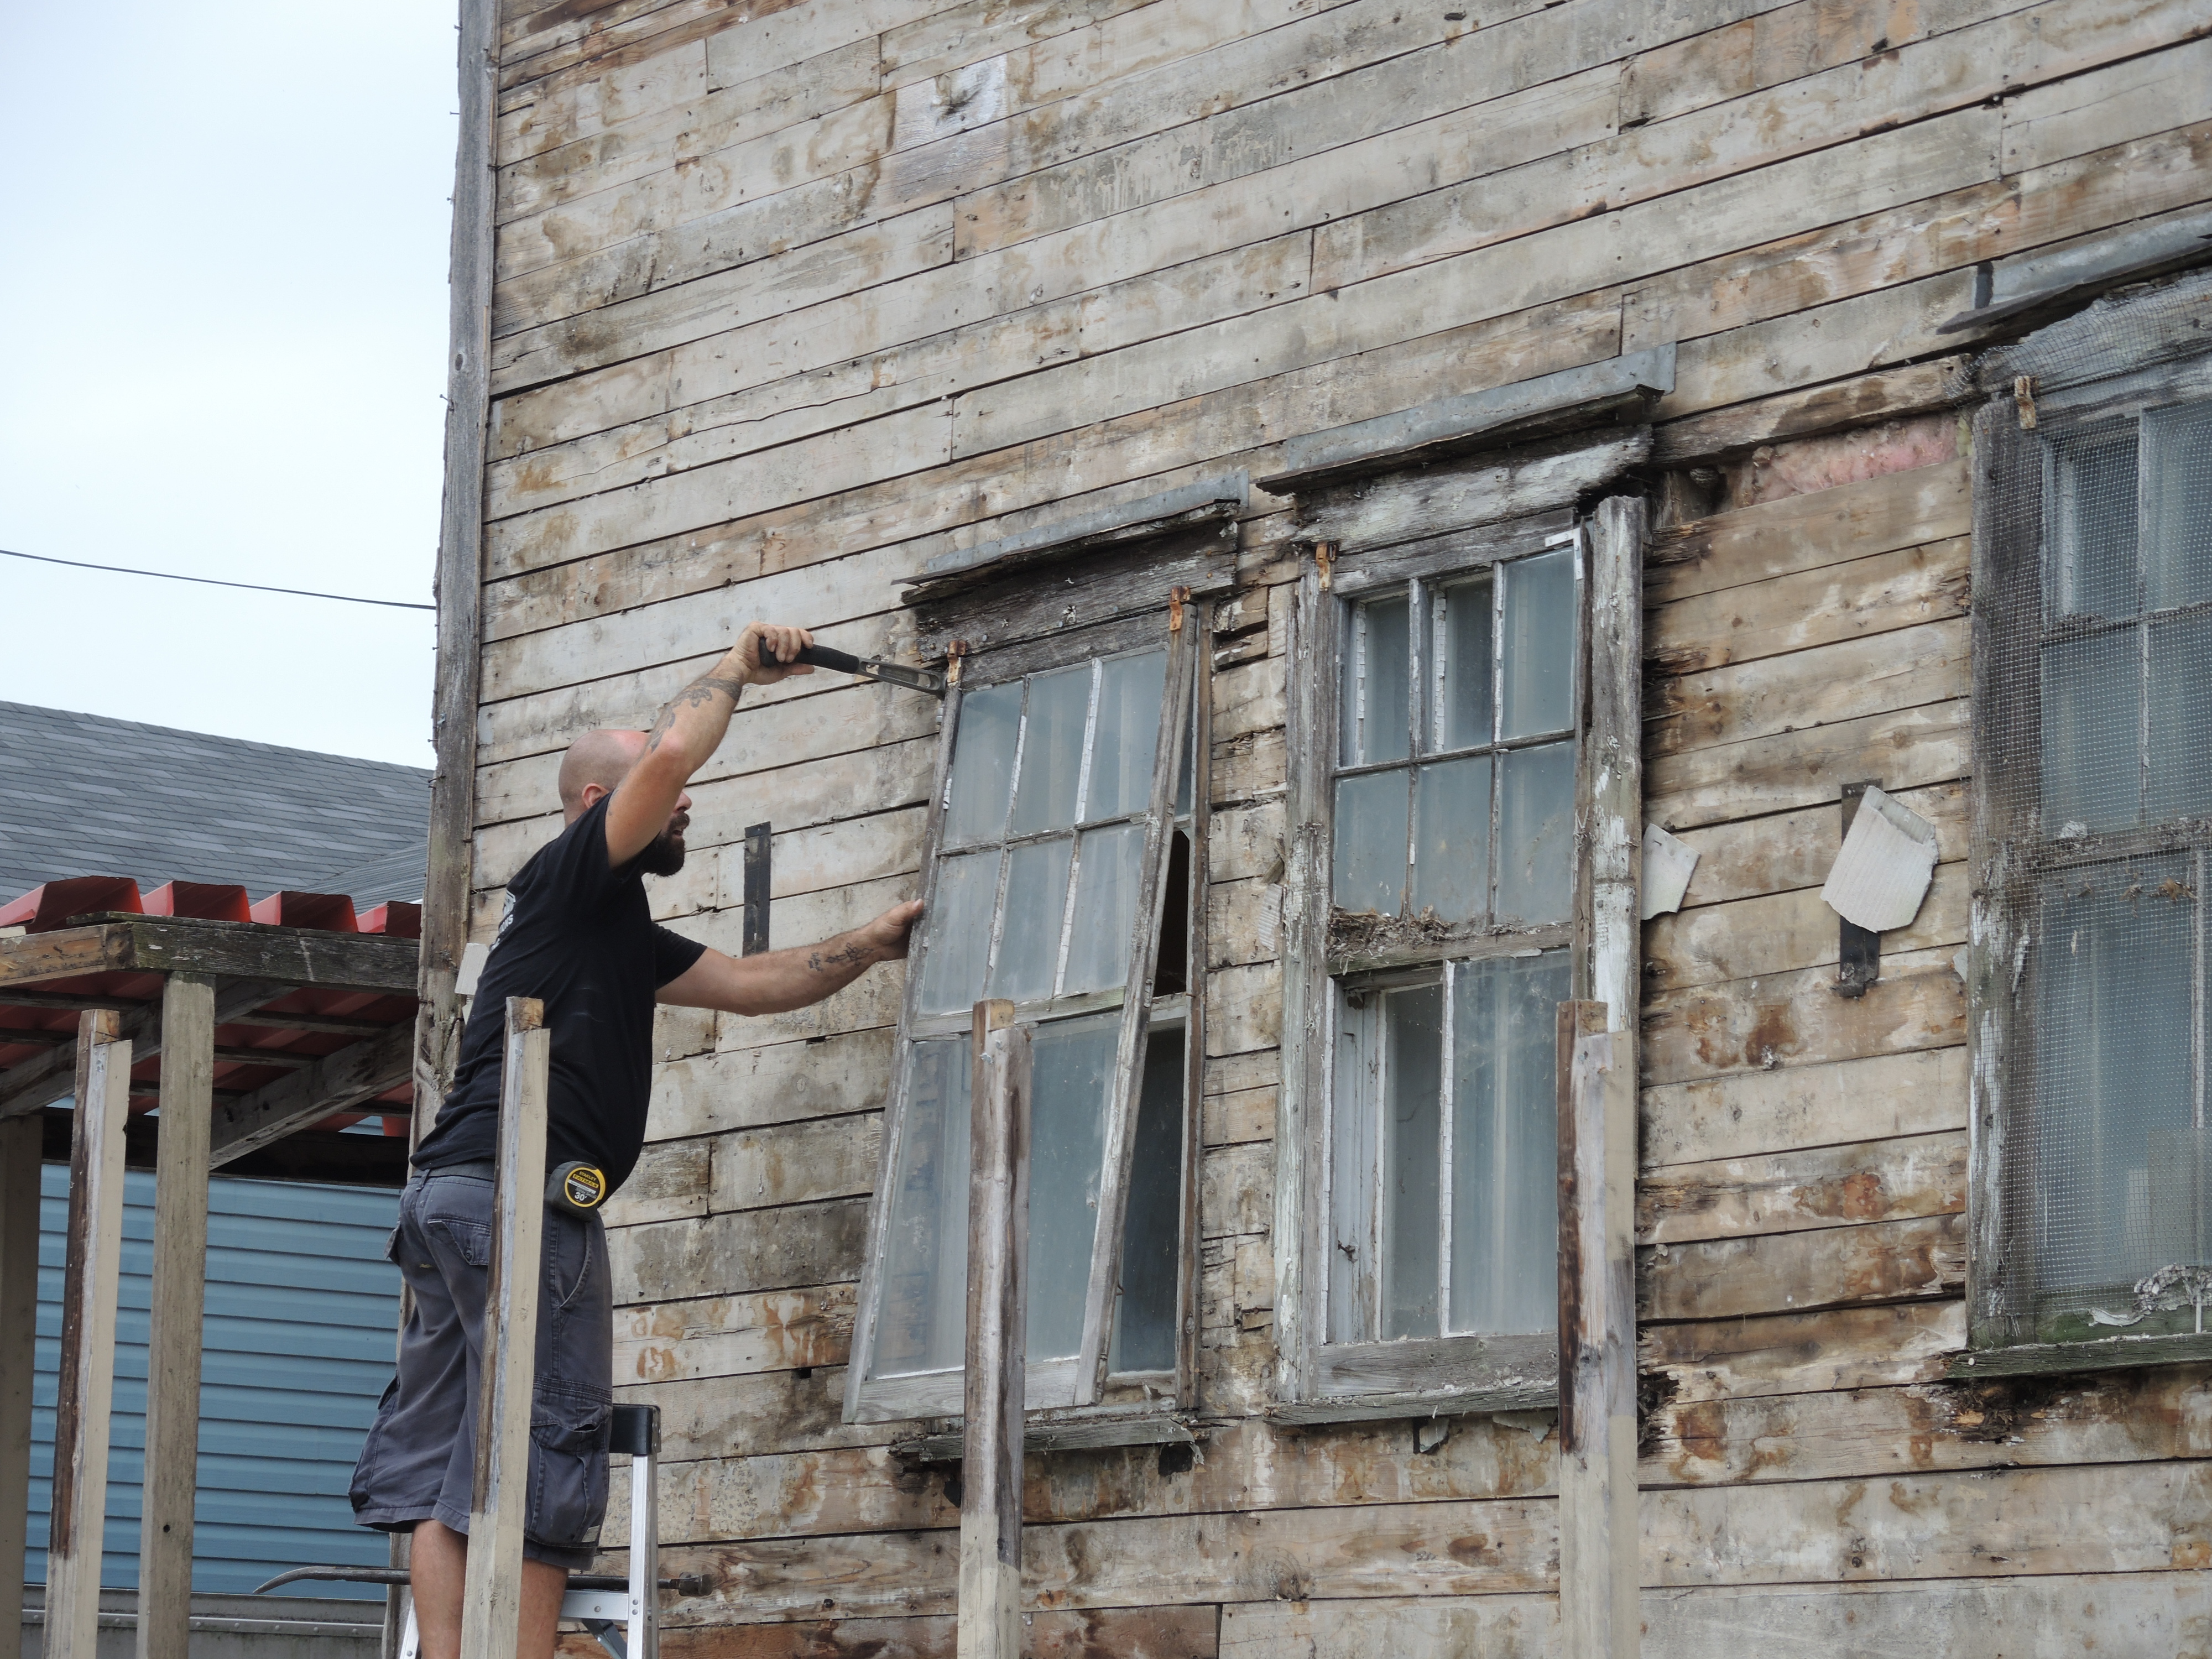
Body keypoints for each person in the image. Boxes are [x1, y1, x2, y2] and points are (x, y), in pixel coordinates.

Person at [349, 622, 920, 1658]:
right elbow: (670, 755)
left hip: (449, 1199)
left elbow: (750, 985)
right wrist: (738, 669)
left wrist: (871, 946)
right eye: (666, 793)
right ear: (593, 805)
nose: (685, 803)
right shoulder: (574, 875)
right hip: (521, 1204)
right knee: (544, 1442)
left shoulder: (596, 928)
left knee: (446, 1463)